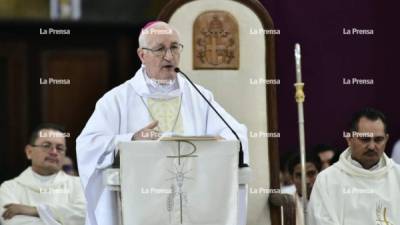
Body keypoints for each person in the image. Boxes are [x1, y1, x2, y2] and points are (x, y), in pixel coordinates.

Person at [76, 21, 249, 225]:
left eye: (174, 47)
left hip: (194, 197)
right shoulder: (117, 99)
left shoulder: (199, 96)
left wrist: (219, 144)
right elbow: (88, 144)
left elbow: (236, 133)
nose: (169, 56)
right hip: (139, 200)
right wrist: (130, 138)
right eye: (160, 49)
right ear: (142, 55)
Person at [308, 108, 400, 225]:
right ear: (349, 139)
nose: (372, 146)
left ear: (386, 139)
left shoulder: (397, 176)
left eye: (378, 139)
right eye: (365, 139)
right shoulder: (327, 180)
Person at [0, 123, 86, 225]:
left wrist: (35, 210)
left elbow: (86, 217)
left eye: (60, 148)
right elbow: (13, 222)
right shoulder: (9, 188)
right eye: (46, 146)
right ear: (29, 152)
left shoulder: (80, 185)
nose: (54, 152)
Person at [287, 153, 320, 225]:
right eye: (299, 175)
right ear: (291, 179)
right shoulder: (284, 207)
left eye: (311, 173)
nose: (306, 181)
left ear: (320, 174)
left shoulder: (332, 201)